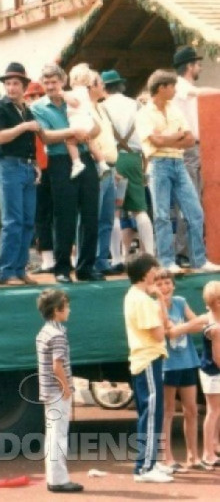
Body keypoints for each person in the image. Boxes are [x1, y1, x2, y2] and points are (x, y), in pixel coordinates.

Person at [134, 69, 220, 273]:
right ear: (162, 88)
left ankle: (199, 259)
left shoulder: (174, 109)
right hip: (159, 163)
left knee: (195, 212)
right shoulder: (144, 113)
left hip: (177, 162)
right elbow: (155, 141)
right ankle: (166, 261)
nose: (175, 91)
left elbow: (189, 139)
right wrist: (175, 137)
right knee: (162, 214)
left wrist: (167, 138)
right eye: (172, 86)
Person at [31, 63, 103, 283]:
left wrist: (86, 133)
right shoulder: (38, 107)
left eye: (54, 82)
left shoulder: (76, 98)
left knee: (91, 213)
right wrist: (73, 131)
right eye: (47, 83)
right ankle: (62, 268)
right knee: (64, 215)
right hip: (59, 160)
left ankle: (86, 267)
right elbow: (46, 136)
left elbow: (96, 126)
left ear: (62, 82)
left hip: (84, 156)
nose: (51, 86)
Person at [0, 62, 39, 286]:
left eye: (15, 83)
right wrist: (24, 128)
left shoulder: (26, 110)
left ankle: (19, 269)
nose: (11, 88)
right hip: (9, 166)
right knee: (12, 221)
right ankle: (7, 272)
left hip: (27, 167)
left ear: (24, 85)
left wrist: (35, 164)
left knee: (28, 221)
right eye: (8, 84)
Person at [123, 253, 173, 482]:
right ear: (146, 272)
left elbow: (163, 323)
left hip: (147, 359)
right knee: (151, 413)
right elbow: (161, 331)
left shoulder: (141, 297)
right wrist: (164, 321)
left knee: (152, 412)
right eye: (154, 269)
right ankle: (144, 468)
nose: (157, 272)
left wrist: (160, 299)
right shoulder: (140, 300)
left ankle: (150, 463)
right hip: (147, 359)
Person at [172, 47, 220, 265]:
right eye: (198, 64)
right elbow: (200, 93)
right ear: (189, 66)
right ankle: (183, 251)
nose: (200, 67)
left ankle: (194, 250)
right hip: (189, 147)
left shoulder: (185, 87)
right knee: (188, 199)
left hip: (196, 147)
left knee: (197, 199)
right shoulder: (181, 86)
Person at [100, 70, 154, 258]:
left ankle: (117, 259)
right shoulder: (137, 105)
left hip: (113, 159)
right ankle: (151, 255)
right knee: (140, 209)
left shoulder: (102, 107)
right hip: (134, 158)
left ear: (104, 87)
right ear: (120, 85)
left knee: (114, 211)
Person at [156, 269, 205, 472]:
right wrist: (186, 326)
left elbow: (200, 324)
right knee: (168, 411)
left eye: (167, 283)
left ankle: (193, 456)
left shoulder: (181, 301)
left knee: (191, 409)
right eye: (159, 284)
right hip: (168, 364)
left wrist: (181, 328)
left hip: (187, 362)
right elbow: (165, 332)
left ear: (173, 285)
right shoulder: (155, 306)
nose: (165, 287)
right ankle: (167, 458)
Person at [36, 288, 83, 493]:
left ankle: (54, 477)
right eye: (67, 305)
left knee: (53, 433)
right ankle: (58, 479)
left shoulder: (45, 331)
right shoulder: (58, 335)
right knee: (59, 435)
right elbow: (57, 365)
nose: (69, 309)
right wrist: (66, 388)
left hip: (48, 390)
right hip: (57, 391)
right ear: (57, 310)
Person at [86, 70, 122, 276]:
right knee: (93, 215)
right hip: (97, 165)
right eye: (99, 83)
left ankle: (102, 259)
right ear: (90, 87)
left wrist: (113, 167)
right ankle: (89, 260)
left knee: (107, 216)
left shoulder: (101, 108)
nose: (103, 86)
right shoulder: (86, 110)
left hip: (110, 165)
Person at [25, 81, 54, 274]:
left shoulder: (48, 115)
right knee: (41, 216)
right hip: (37, 169)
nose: (36, 100)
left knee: (55, 214)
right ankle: (47, 259)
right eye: (32, 96)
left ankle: (62, 257)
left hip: (53, 168)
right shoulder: (26, 119)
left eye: (39, 96)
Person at [63, 63, 109, 179]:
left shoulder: (76, 92)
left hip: (78, 122)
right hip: (87, 121)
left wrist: (63, 95)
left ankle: (77, 162)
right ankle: (102, 162)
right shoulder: (85, 93)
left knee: (70, 141)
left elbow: (75, 103)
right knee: (91, 143)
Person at [199, 280, 220, 469]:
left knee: (216, 412)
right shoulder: (214, 327)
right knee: (213, 411)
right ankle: (207, 453)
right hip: (213, 372)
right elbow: (218, 357)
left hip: (213, 371)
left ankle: (214, 446)